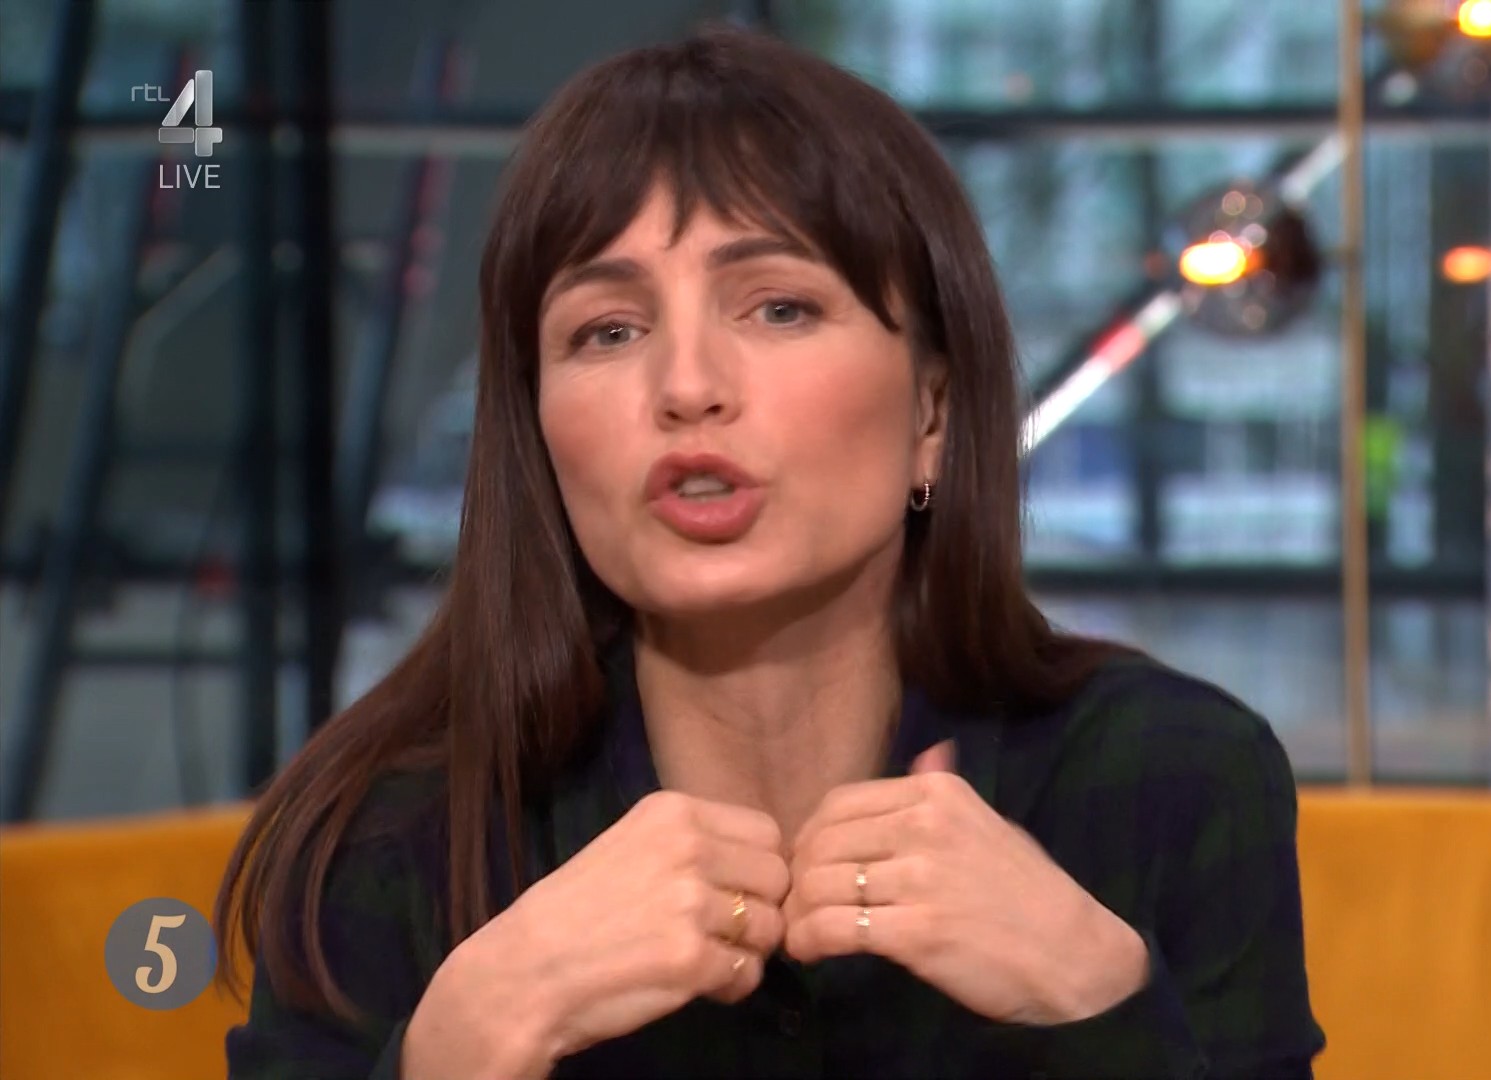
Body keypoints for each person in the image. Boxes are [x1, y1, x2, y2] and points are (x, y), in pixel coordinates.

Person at [217, 27, 1325, 1080]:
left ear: (933, 414)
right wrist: (462, 1043)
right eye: (609, 331)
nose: (687, 385)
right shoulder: (389, 834)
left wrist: (1096, 1002)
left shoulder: (1171, 780)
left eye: (779, 308)